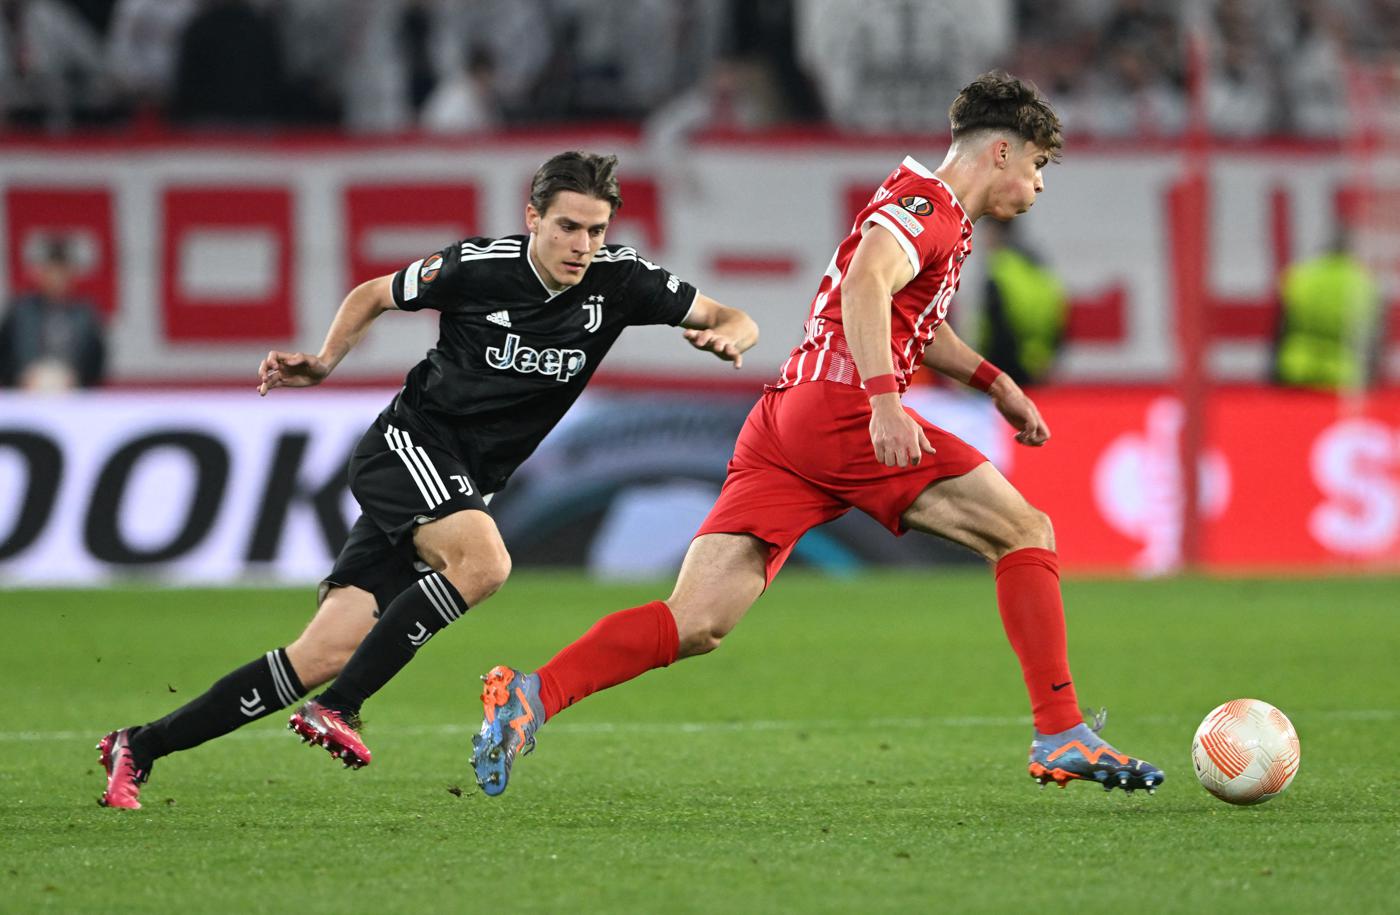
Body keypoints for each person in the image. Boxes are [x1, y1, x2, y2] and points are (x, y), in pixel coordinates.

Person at [469, 73, 1165, 798]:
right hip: (839, 407)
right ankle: (1060, 729)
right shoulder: (927, 208)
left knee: (699, 620)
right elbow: (866, 285)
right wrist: (885, 402)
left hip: (787, 416)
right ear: (1000, 151)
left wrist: (995, 382)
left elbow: (907, 322)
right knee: (1024, 530)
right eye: (1038, 164)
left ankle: (531, 694)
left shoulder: (931, 211)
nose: (1038, 184)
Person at [97, 151, 759, 809]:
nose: (582, 245)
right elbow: (374, 293)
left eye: (595, 231)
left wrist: (729, 337)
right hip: (408, 446)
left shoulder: (623, 281)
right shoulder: (477, 266)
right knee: (486, 561)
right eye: (566, 227)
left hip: (462, 481)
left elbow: (734, 316)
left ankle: (141, 744)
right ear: (533, 217)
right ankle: (342, 708)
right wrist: (324, 362)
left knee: (323, 649)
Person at [1272, 227, 1381, 389]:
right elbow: (1372, 338)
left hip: (1297, 369)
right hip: (1344, 373)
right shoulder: (1364, 282)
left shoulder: (1301, 275)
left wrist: (1272, 375)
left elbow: (1281, 329)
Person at [0, 238, 106, 391]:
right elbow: (4, 354)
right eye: (51, 271)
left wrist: (77, 379)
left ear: (72, 275)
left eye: (62, 272)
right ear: (41, 274)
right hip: (25, 394)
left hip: (73, 396)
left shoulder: (85, 315)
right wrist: (20, 377)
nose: (56, 279)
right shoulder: (20, 312)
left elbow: (97, 360)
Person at [976, 219, 1067, 387]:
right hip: (1039, 364)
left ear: (994, 231)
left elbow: (999, 329)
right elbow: (1059, 317)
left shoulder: (999, 269)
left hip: (1005, 368)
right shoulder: (1039, 267)